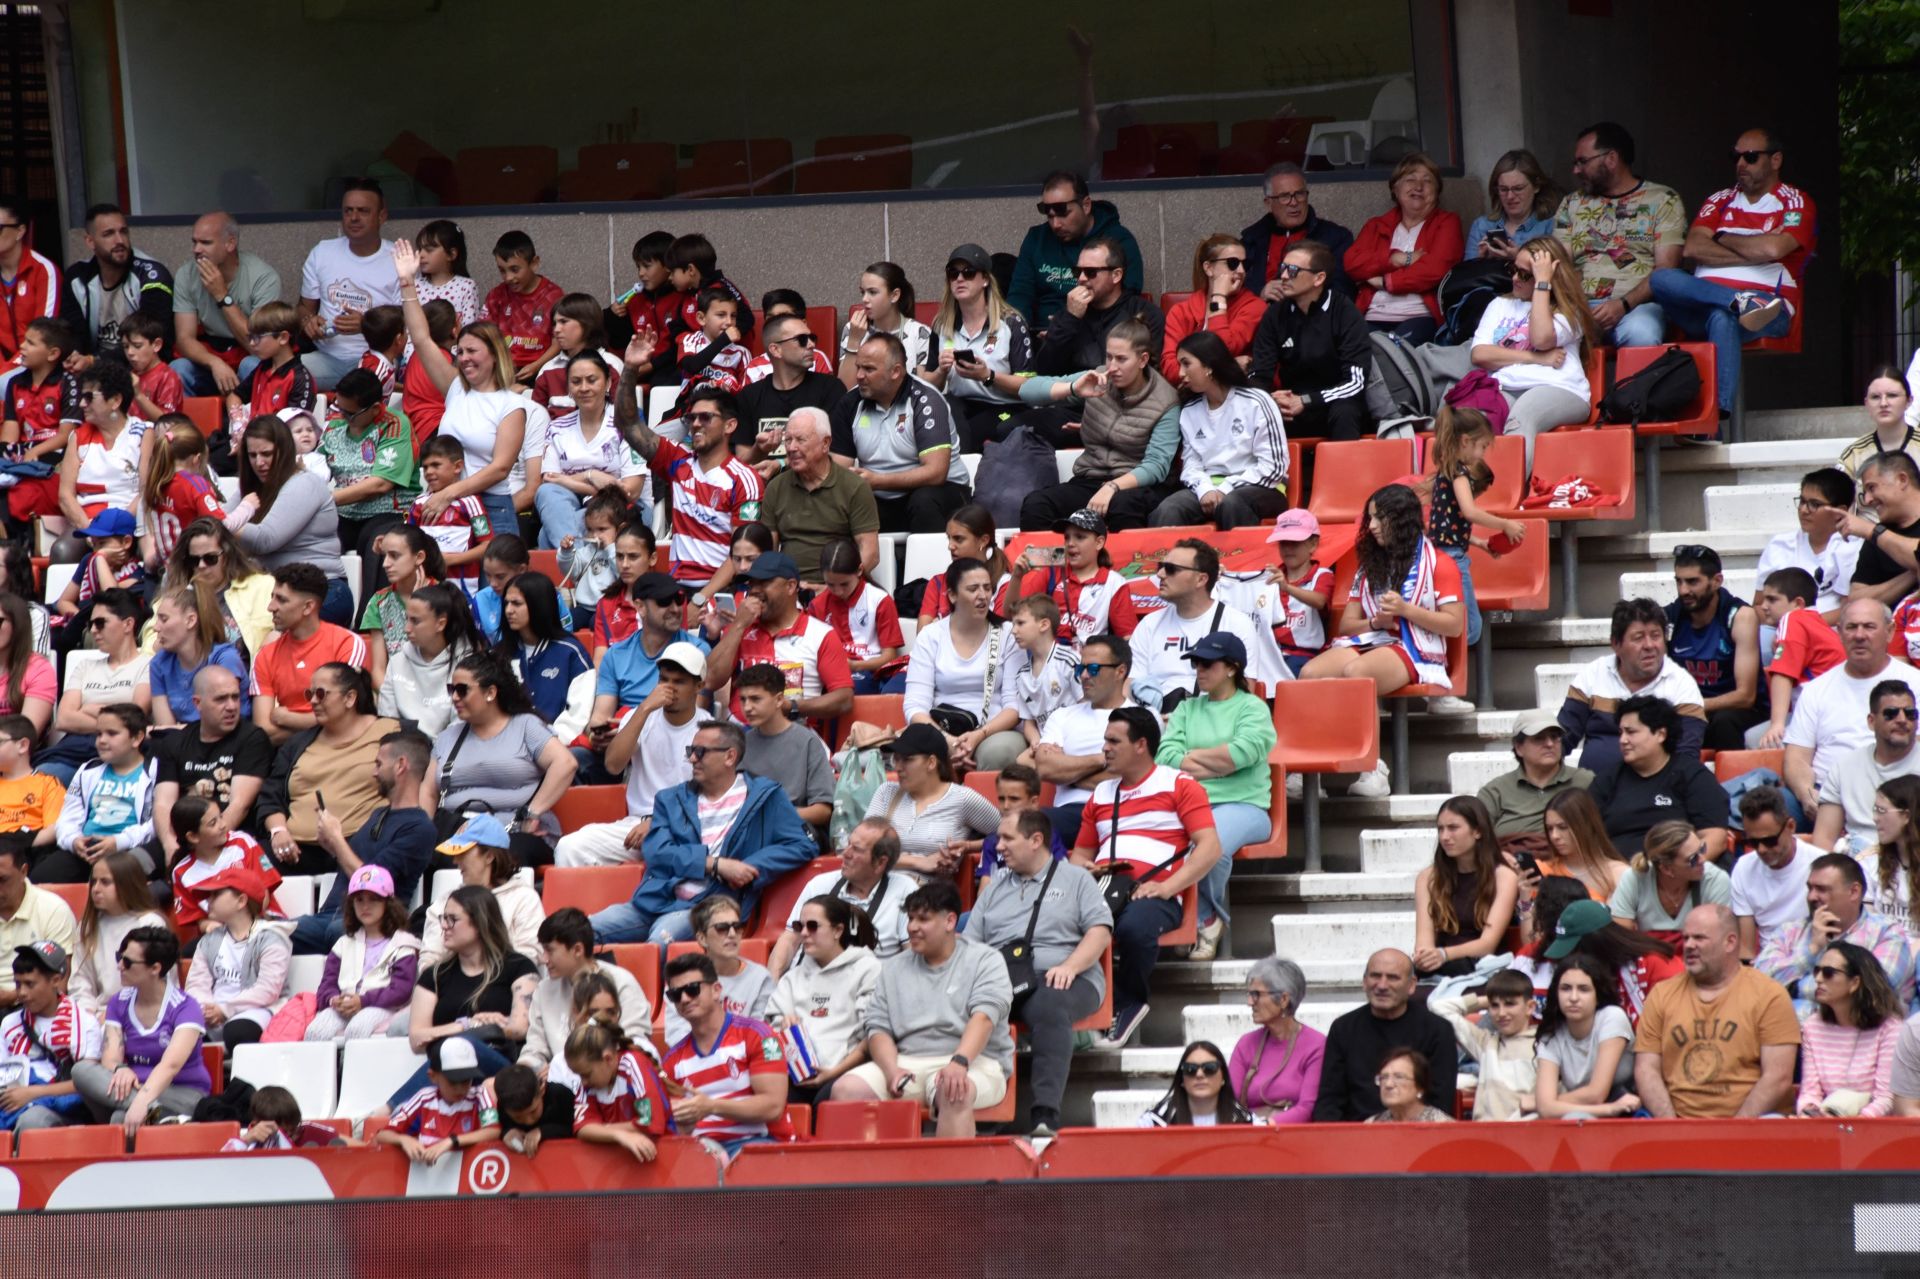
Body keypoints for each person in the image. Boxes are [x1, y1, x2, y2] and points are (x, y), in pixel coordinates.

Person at [1300, 485, 1466, 796]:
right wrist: (1377, 620)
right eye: (1371, 518)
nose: (1372, 526)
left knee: (1356, 674)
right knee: (1309, 675)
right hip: (1373, 638)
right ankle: (1308, 775)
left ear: (1401, 520)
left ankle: (1372, 769)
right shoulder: (1369, 566)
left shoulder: (1439, 563)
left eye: (1379, 518)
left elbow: (1454, 625)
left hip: (1415, 645)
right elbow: (1347, 625)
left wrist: (1406, 611)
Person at [1071, 707, 1221, 1047]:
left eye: (1113, 741)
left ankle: (1127, 1002)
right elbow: (1080, 853)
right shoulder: (1101, 794)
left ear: (1141, 745)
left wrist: (1167, 888)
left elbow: (1209, 847)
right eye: (1104, 741)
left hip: (1156, 894)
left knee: (1134, 928)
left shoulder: (1180, 784)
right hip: (1104, 891)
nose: (1105, 749)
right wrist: (1085, 868)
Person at [588, 721, 815, 946]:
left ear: (730, 757)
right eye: (690, 751)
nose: (692, 759)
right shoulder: (670, 799)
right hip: (654, 901)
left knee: (659, 941)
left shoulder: (765, 796)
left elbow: (802, 845)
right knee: (574, 932)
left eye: (700, 752)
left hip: (709, 907)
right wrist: (714, 864)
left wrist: (749, 866)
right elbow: (657, 853)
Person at [1643, 129, 1815, 418]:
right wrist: (1753, 247)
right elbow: (1693, 248)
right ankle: (1739, 299)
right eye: (1735, 157)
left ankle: (1712, 419)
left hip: (1769, 308)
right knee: (1661, 278)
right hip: (1700, 306)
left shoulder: (1795, 201)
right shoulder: (1720, 199)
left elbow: (1774, 248)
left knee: (1722, 318)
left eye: (1750, 157)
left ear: (1775, 160)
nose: (1740, 164)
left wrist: (1721, 236)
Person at [964, 808, 1112, 1135]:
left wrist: (1070, 966)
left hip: (1066, 977)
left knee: (1050, 1003)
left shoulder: (1076, 878)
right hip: (1004, 980)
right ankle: (977, 1112)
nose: (998, 846)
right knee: (965, 1006)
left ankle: (1045, 1114)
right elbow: (970, 946)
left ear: (1035, 840)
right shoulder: (994, 888)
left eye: (1006, 838)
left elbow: (1100, 931)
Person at [831, 880, 1012, 1140]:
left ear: (950, 921)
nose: (912, 927)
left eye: (923, 919)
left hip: (975, 1062)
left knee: (954, 1089)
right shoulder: (893, 967)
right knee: (845, 1090)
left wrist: (959, 1062)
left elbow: (983, 1018)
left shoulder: (985, 960)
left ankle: (953, 1180)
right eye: (911, 918)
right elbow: (878, 1028)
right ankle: (869, 1178)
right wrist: (891, 1070)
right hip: (907, 1062)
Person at [1155, 633, 1276, 960]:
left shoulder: (1252, 706)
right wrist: (1220, 764)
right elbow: (1165, 756)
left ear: (1232, 669)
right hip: (1189, 805)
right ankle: (1181, 919)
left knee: (1212, 848)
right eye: (1195, 663)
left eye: (1207, 663)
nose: (1199, 670)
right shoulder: (1187, 707)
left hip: (1245, 806)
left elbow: (1244, 752)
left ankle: (1206, 920)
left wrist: (1191, 758)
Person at [393, 240, 525, 535]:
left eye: (472, 351)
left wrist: (448, 494)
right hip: (449, 506)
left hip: (491, 507)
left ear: (494, 354)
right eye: (460, 351)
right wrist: (407, 282)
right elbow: (422, 337)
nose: (463, 358)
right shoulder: (455, 388)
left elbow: (500, 469)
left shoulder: (512, 405)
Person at [382, 884, 540, 1116]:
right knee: (458, 1048)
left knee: (465, 1046)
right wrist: (468, 1026)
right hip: (447, 1070)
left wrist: (483, 1031)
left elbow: (519, 1027)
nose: (444, 926)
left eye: (452, 919)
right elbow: (417, 1039)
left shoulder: (519, 966)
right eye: (443, 919)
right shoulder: (434, 975)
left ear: (479, 922)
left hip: (501, 1070)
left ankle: (388, 1113)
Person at [1635, 904, 1800, 1118]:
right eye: (1685, 938)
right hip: (1678, 1127)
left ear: (1730, 942)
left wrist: (1731, 1135)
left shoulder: (1769, 995)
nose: (1689, 946)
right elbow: (1646, 1070)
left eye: (1699, 938)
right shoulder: (1661, 994)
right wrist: (1673, 1128)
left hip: (1752, 1128)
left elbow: (1778, 1078)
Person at [1016, 322, 1181, 533]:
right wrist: (1073, 388)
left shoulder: (1166, 401)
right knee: (1037, 505)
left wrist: (1113, 486)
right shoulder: (1099, 377)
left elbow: (1156, 466)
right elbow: (1026, 391)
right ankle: (1048, 565)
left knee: (1122, 506)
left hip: (1135, 485)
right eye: (1109, 357)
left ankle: (1123, 567)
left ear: (1143, 360)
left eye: (1121, 359)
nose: (1112, 367)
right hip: (1090, 479)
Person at [282, 732, 436, 958]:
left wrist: (337, 839)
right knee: (267, 934)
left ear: (401, 765)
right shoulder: (378, 814)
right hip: (328, 917)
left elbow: (371, 882)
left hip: (370, 924)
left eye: (378, 764)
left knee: (339, 934)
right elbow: (358, 861)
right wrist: (332, 846)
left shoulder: (420, 828)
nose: (374, 772)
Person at [554, 645, 702, 869]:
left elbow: (705, 796)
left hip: (683, 826)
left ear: (698, 686)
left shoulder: (707, 729)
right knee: (569, 847)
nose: (669, 688)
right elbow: (613, 765)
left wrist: (659, 822)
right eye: (664, 680)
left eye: (679, 682)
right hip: (636, 824)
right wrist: (644, 709)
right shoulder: (639, 716)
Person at [424, 651, 575, 867]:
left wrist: (532, 813)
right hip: (456, 831)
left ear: (490, 693)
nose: (455, 697)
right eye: (452, 690)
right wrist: (424, 832)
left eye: (462, 690)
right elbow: (428, 792)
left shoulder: (526, 726)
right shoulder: (448, 737)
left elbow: (565, 764)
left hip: (512, 832)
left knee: (491, 860)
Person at [618, 369, 762, 595]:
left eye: (705, 417)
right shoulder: (678, 462)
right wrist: (630, 368)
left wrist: (702, 599)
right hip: (678, 589)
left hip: (723, 589)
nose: (695, 424)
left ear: (729, 426)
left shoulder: (744, 479)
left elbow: (742, 557)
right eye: (691, 417)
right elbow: (629, 426)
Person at [253, 659, 397, 876]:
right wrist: (278, 831)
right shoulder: (297, 743)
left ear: (350, 698)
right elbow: (270, 796)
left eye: (320, 694)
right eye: (308, 694)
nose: (312, 701)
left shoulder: (392, 732)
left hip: (360, 847)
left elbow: (411, 782)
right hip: (295, 853)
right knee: (245, 860)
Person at [1468, 239, 1599, 471]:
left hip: (1560, 388)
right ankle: (1473, 498)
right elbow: (1480, 354)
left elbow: (1541, 338)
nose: (1515, 278)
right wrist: (1535, 358)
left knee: (1522, 417)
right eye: (1513, 269)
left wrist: (1542, 285)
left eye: (1526, 274)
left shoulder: (1570, 310)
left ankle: (1511, 498)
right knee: (1473, 423)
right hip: (1506, 386)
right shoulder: (1500, 304)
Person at [1784, 599, 1920, 819]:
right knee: (1776, 802)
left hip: (1897, 796)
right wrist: (1806, 794)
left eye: (1869, 626)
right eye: (1851, 627)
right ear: (1839, 632)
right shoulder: (1816, 689)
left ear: (1889, 631)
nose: (1859, 635)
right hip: (1826, 794)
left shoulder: (1915, 682)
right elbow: (1796, 758)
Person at [1551, 122, 1684, 346]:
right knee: (1547, 333)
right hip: (1580, 308)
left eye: (1582, 161)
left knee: (1642, 332)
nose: (1575, 170)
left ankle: (1639, 383)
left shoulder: (1663, 200)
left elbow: (1665, 270)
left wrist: (1622, 305)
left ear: (1611, 159)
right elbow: (1559, 263)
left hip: (1638, 308)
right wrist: (1576, 306)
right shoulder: (1571, 203)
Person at [72, 925, 209, 1132]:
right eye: (120, 957)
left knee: (121, 1116)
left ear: (155, 968)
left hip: (181, 1091)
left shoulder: (186, 1007)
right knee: (81, 1070)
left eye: (128, 962)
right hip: (131, 1088)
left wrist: (142, 1102)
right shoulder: (118, 1002)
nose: (119, 966)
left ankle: (148, 1111)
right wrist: (121, 1069)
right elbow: (110, 1057)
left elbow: (170, 1066)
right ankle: (158, 1114)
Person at [829, 334, 969, 535]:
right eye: (858, 367)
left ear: (895, 372)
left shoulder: (925, 400)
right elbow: (839, 469)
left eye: (868, 369)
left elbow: (936, 473)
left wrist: (878, 481)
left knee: (924, 500)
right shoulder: (850, 403)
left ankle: (930, 567)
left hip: (943, 493)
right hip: (880, 496)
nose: (859, 375)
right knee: (839, 501)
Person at [658, 952, 788, 1159]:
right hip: (700, 1152)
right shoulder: (672, 1061)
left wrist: (712, 1106)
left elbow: (773, 1107)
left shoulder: (758, 1035)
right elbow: (675, 1129)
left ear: (717, 990)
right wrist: (682, 1123)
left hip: (756, 1145)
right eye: (675, 994)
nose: (684, 998)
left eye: (692, 989)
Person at [1153, 332, 1289, 529]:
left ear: (1208, 366)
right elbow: (1191, 464)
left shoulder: (1256, 401)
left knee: (1231, 503)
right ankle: (1172, 561)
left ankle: (1242, 560)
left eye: (1186, 363)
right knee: (1168, 508)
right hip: (1208, 487)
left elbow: (1274, 467)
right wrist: (1205, 489)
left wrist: (1226, 487)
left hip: (1262, 487)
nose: (1180, 373)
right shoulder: (1190, 410)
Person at [1557, 597, 1707, 776]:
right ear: (1615, 644)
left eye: (1656, 636)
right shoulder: (1593, 674)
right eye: (1638, 638)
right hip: (1594, 791)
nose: (1649, 645)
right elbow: (1562, 739)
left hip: (1655, 793)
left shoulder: (1682, 685)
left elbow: (1686, 756)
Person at [702, 550, 852, 724]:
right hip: (740, 735)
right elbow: (709, 680)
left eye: (763, 583)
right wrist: (738, 626)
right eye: (752, 584)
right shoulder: (741, 627)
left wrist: (792, 707)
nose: (755, 591)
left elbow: (844, 699)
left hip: (794, 735)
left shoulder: (820, 634)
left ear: (790, 586)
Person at [1758, 852, 1915, 1016]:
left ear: (1854, 892)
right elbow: (1759, 985)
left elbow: (1871, 990)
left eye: (1822, 889)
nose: (1811, 896)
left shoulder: (1886, 933)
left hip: (1862, 1037)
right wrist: (1812, 950)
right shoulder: (1790, 931)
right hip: (1789, 1037)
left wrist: (1793, 988)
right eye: (1810, 888)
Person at [1245, 240, 1371, 442]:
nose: (1284, 276)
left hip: (1335, 401)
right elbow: (1259, 373)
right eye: (1283, 268)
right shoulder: (1275, 314)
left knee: (1345, 411)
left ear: (1319, 278)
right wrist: (1270, 400)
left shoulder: (1344, 312)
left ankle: (1344, 473)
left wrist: (1307, 400)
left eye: (1293, 270)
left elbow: (1355, 383)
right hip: (1292, 405)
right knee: (1260, 411)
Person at [1313, 948, 1457, 1121]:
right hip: (1355, 1137)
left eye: (1393, 977)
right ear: (1364, 981)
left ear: (1412, 985)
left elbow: (1440, 1102)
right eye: (1375, 976)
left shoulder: (1437, 1030)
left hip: (1418, 1135)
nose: (1382, 985)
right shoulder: (1343, 1028)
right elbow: (1330, 1100)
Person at [151, 666, 269, 871]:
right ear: (198, 703)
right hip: (185, 838)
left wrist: (202, 848)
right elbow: (163, 804)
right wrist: (170, 844)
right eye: (221, 699)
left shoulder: (252, 738)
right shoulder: (175, 743)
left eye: (235, 697)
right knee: (131, 868)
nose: (231, 706)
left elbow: (239, 805)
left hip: (230, 838)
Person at [921, 244, 1034, 450]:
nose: (960, 279)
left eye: (968, 273)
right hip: (961, 404)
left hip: (1003, 406)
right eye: (953, 274)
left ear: (985, 280)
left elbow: (1028, 387)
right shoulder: (942, 324)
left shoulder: (1011, 323)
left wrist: (987, 375)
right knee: (945, 409)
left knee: (970, 430)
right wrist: (941, 370)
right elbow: (928, 384)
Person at [770, 895, 882, 1105]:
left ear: (838, 930)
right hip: (795, 1075)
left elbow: (872, 1036)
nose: (804, 933)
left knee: (828, 1099)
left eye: (812, 926)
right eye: (799, 926)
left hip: (847, 1072)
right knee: (768, 1094)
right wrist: (781, 1031)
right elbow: (768, 1039)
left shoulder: (867, 969)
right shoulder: (792, 978)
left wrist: (833, 1073)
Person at [1025, 634, 1136, 844]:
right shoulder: (1062, 716)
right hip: (1071, 812)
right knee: (1018, 827)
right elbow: (1047, 769)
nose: (1084, 675)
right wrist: (1104, 759)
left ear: (1120, 671)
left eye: (1093, 669)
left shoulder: (1142, 716)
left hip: (1123, 810)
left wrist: (1070, 777)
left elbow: (1134, 777)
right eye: (1080, 669)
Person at [771, 818, 915, 977]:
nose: (845, 854)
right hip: (803, 986)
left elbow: (913, 957)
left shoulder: (904, 891)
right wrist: (772, 987)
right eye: (848, 844)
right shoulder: (820, 884)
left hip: (864, 992)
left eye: (857, 849)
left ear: (880, 863)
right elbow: (790, 940)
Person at [1344, 153, 1463, 344]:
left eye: (1428, 181)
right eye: (1410, 180)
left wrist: (1386, 281)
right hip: (1372, 315)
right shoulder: (1376, 225)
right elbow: (1352, 263)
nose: (1418, 187)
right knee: (1354, 351)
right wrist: (1397, 259)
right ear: (1395, 189)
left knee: (1393, 353)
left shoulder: (1447, 223)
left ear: (1437, 191)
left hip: (1419, 316)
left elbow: (1435, 269)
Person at [1589, 696, 1729, 859]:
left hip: (1679, 872)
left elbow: (1715, 838)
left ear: (1661, 734)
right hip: (1618, 874)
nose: (1622, 740)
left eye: (1631, 732)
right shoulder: (1607, 780)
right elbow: (1584, 836)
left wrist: (1687, 867)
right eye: (1620, 733)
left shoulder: (1693, 776)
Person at [520, 908, 653, 1077]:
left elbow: (635, 1045)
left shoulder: (622, 982)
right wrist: (526, 1072)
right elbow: (534, 1049)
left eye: (550, 950)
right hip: (557, 1084)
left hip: (610, 1079)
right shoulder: (544, 989)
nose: (543, 959)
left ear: (577, 950)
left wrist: (567, 1071)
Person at [1008, 171, 1145, 333]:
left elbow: (1126, 300)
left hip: (1095, 335)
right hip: (1038, 334)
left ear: (1086, 205)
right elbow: (1020, 295)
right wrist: (1017, 334)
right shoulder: (1036, 239)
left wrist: (1066, 324)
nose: (1056, 224)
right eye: (1049, 216)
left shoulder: (1119, 240)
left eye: (1063, 213)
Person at [755, 408, 881, 583]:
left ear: (825, 443)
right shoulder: (776, 487)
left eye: (801, 440)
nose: (791, 448)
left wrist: (836, 588)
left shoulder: (854, 486)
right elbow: (769, 552)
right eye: (788, 440)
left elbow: (870, 553)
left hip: (839, 590)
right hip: (789, 590)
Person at [862, 723, 1000, 880]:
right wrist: (919, 862)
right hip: (873, 886)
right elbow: (864, 848)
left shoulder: (962, 798)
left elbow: (1009, 834)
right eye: (896, 759)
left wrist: (968, 846)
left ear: (931, 763)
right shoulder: (886, 791)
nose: (898, 767)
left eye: (907, 759)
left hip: (924, 897)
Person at [296, 180, 399, 389]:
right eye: (348, 211)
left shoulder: (398, 258)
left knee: (368, 384)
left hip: (376, 359)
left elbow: (408, 322)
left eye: (363, 211)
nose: (353, 218)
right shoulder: (322, 252)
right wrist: (308, 321)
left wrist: (367, 325)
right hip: (325, 359)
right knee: (253, 368)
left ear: (382, 216)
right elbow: (303, 308)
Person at [249, 563, 366, 746]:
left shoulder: (347, 644)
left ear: (308, 607)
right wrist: (319, 725)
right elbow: (264, 731)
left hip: (341, 748)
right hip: (287, 753)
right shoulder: (265, 655)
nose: (271, 607)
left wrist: (289, 718)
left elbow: (346, 716)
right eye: (272, 597)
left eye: (282, 600)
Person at [535, 354, 645, 548]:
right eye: (576, 382)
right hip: (575, 505)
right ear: (568, 388)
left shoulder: (627, 424)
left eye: (591, 380)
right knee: (547, 492)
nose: (584, 388)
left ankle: (576, 565)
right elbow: (551, 480)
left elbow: (631, 490)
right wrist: (595, 478)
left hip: (622, 509)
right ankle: (580, 564)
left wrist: (572, 478)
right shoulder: (557, 428)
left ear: (609, 383)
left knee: (546, 535)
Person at [42, 588, 149, 786]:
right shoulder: (85, 666)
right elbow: (64, 719)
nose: (92, 630)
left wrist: (88, 710)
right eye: (91, 624)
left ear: (128, 624)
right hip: (74, 751)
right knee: (41, 781)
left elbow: (136, 717)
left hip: (124, 755)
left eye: (100, 623)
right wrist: (115, 725)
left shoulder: (148, 665)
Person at [1662, 546, 1765, 750]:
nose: (1683, 590)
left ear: (1716, 581)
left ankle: (1733, 782)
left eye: (1692, 581)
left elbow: (1745, 696)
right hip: (1691, 709)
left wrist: (1692, 705)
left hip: (1736, 710)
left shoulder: (1740, 617)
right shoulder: (1668, 618)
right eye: (1679, 581)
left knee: (1723, 722)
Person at [168, 212, 281, 398]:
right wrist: (214, 363)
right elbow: (184, 338)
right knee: (178, 369)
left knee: (251, 366)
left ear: (230, 243)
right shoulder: (186, 274)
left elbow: (258, 345)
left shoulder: (263, 277)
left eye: (205, 243)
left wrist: (221, 294)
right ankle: (185, 427)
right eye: (194, 242)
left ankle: (252, 426)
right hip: (212, 355)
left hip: (249, 354)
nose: (196, 249)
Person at [302, 864, 419, 1042]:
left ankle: (351, 1069)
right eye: (359, 900)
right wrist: (334, 1000)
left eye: (374, 899)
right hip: (345, 1005)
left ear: (388, 903)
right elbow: (326, 986)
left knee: (357, 1029)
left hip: (384, 1007)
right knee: (314, 1031)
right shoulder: (343, 944)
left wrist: (363, 1000)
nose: (366, 906)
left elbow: (401, 990)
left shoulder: (403, 944)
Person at [586, 574, 706, 744]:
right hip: (621, 743)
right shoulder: (615, 655)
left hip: (673, 742)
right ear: (640, 607)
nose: (675, 609)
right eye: (664, 602)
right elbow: (600, 716)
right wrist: (598, 736)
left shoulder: (697, 651)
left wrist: (635, 729)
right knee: (578, 757)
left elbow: (694, 720)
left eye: (679, 600)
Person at [182, 864, 290, 1051]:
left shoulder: (272, 938)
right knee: (179, 1032)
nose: (208, 901)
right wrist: (203, 1009)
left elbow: (267, 990)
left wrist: (225, 1009)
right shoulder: (208, 941)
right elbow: (196, 984)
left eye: (216, 895)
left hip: (256, 1010)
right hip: (212, 1013)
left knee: (238, 1031)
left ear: (241, 901)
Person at [1412, 796, 1521, 980]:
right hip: (1440, 966)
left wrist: (1444, 954)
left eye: (1453, 828)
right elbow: (1423, 941)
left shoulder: (1503, 876)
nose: (1444, 837)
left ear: (1477, 831)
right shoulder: (1428, 878)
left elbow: (1487, 944)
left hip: (1486, 968)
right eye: (1440, 829)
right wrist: (1426, 956)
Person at [48, 703, 157, 882]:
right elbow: (68, 817)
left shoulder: (154, 770)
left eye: (112, 733)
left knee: (112, 879)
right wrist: (74, 841)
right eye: (99, 734)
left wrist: (119, 842)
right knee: (42, 876)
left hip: (128, 847)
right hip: (86, 848)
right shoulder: (88, 769)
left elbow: (157, 822)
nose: (102, 740)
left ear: (137, 738)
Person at [0, 940, 100, 1133]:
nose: (21, 993)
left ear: (55, 980)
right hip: (12, 1103)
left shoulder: (84, 1023)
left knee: (32, 1121)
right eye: (17, 984)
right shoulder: (10, 1023)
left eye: (30, 984)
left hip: (66, 1110)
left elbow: (88, 1085)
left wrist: (32, 1094)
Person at [1794, 939, 1902, 1117]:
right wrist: (1809, 1116)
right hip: (1826, 1126)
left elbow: (1886, 1098)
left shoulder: (1889, 1029)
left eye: (1829, 973)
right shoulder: (1812, 1027)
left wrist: (1852, 1126)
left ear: (1854, 982)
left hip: (1873, 1130)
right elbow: (1810, 1093)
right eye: (1817, 971)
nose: (1818, 979)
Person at [1032, 236, 1166, 377]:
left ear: (1116, 275)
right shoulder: (1069, 314)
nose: (1082, 279)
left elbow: (1148, 375)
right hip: (1073, 393)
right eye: (1077, 272)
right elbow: (1044, 372)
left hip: (1120, 395)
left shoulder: (1145, 315)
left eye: (1091, 272)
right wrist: (1069, 320)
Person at [1539, 897, 1686, 1027]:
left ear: (1596, 942)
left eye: (1573, 951)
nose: (1569, 960)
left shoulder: (1656, 964)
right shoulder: (1590, 977)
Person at [1812, 681, 1920, 855]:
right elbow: (1823, 840)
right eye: (1891, 714)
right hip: (1857, 866)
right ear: (1871, 721)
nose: (1902, 720)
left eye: (1910, 714)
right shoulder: (1845, 767)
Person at [56, 203, 168, 369]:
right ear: (90, 241)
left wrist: (94, 361)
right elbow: (72, 334)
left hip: (140, 366)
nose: (120, 240)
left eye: (123, 232)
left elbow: (153, 338)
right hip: (92, 367)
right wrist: (75, 359)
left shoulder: (151, 276)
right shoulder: (77, 278)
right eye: (109, 234)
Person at [733, 311, 846, 476]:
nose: (811, 345)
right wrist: (759, 450)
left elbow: (836, 453)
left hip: (815, 490)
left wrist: (781, 464)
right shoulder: (748, 396)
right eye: (801, 340)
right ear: (776, 350)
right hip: (765, 492)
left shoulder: (830, 388)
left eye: (812, 338)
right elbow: (742, 464)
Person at [1532, 952, 1641, 1120]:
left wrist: (1540, 1104)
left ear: (1597, 996)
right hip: (1594, 1112)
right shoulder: (1551, 1034)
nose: (1573, 998)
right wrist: (1609, 1109)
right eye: (1566, 988)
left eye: (1584, 989)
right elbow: (1546, 1109)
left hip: (1630, 1111)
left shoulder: (1612, 1017)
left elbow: (1596, 1093)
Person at [1753, 567, 1846, 750]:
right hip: (1831, 713)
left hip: (1819, 718)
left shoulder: (1793, 619)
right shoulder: (1814, 622)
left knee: (1757, 741)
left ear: (1797, 603)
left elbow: (1783, 673)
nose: (1763, 606)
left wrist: (1777, 725)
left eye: (1772, 599)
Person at [736, 662, 835, 832]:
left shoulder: (808, 742)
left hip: (794, 829)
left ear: (779, 700)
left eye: (755, 699)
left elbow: (823, 811)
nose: (747, 707)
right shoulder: (742, 743)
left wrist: (776, 815)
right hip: (752, 830)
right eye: (743, 699)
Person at [157, 518, 275, 662]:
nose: (201, 565)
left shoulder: (262, 586)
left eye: (210, 558)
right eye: (194, 560)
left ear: (226, 555)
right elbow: (151, 641)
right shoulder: (177, 594)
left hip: (245, 678)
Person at [1431, 968, 1539, 1121]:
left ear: (1530, 1007)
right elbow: (1438, 1008)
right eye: (1494, 1006)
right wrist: (1484, 1000)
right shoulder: (1486, 1043)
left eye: (1510, 1004)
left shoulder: (1544, 1045)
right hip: (1484, 1137)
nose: (1501, 1013)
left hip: (1524, 1135)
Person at [67, 852, 165, 1020]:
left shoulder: (150, 924)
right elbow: (80, 981)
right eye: (94, 882)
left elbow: (159, 984)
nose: (96, 889)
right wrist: (87, 1013)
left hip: (143, 1014)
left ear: (126, 884)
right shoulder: (88, 926)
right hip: (97, 1016)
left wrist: (115, 1014)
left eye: (105, 882)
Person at [662, 896, 773, 1043]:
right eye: (722, 928)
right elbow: (677, 1038)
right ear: (702, 938)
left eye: (737, 926)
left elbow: (761, 1036)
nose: (732, 934)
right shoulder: (682, 980)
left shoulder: (761, 978)